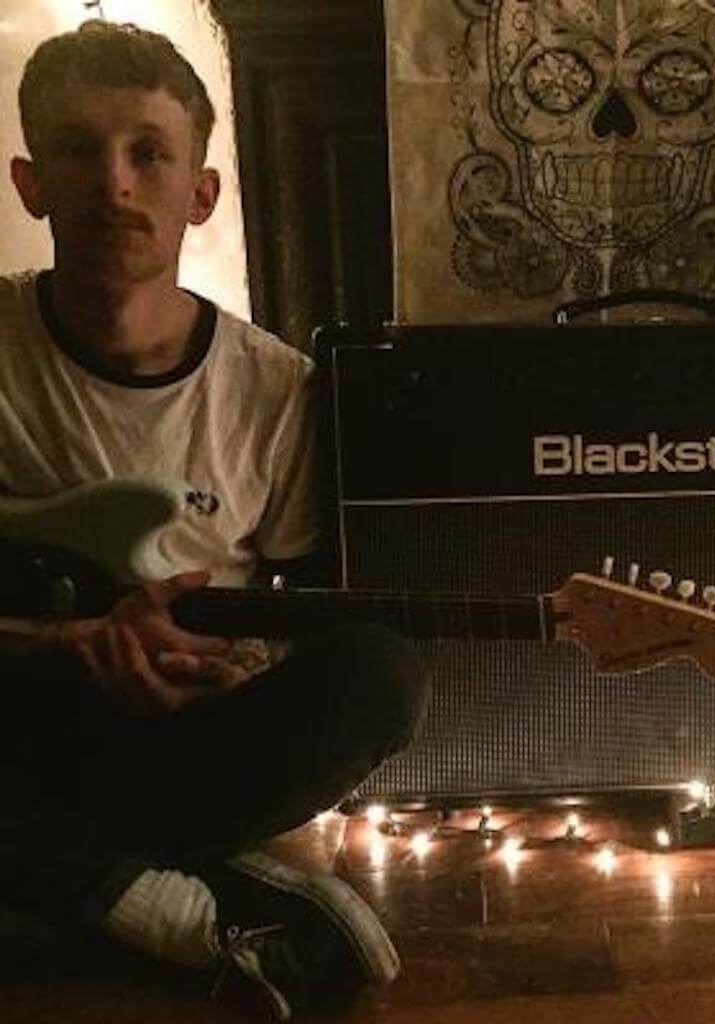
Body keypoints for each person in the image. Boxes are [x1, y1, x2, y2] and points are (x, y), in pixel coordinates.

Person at [0, 19, 429, 1020]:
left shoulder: (277, 388)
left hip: (185, 735)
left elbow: (300, 606)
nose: (114, 183)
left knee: (383, 674)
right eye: (78, 149)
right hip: (22, 713)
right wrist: (65, 641)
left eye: (147, 153)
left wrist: (234, 671)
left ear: (200, 193)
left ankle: (65, 879)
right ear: (30, 184)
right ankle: (180, 905)